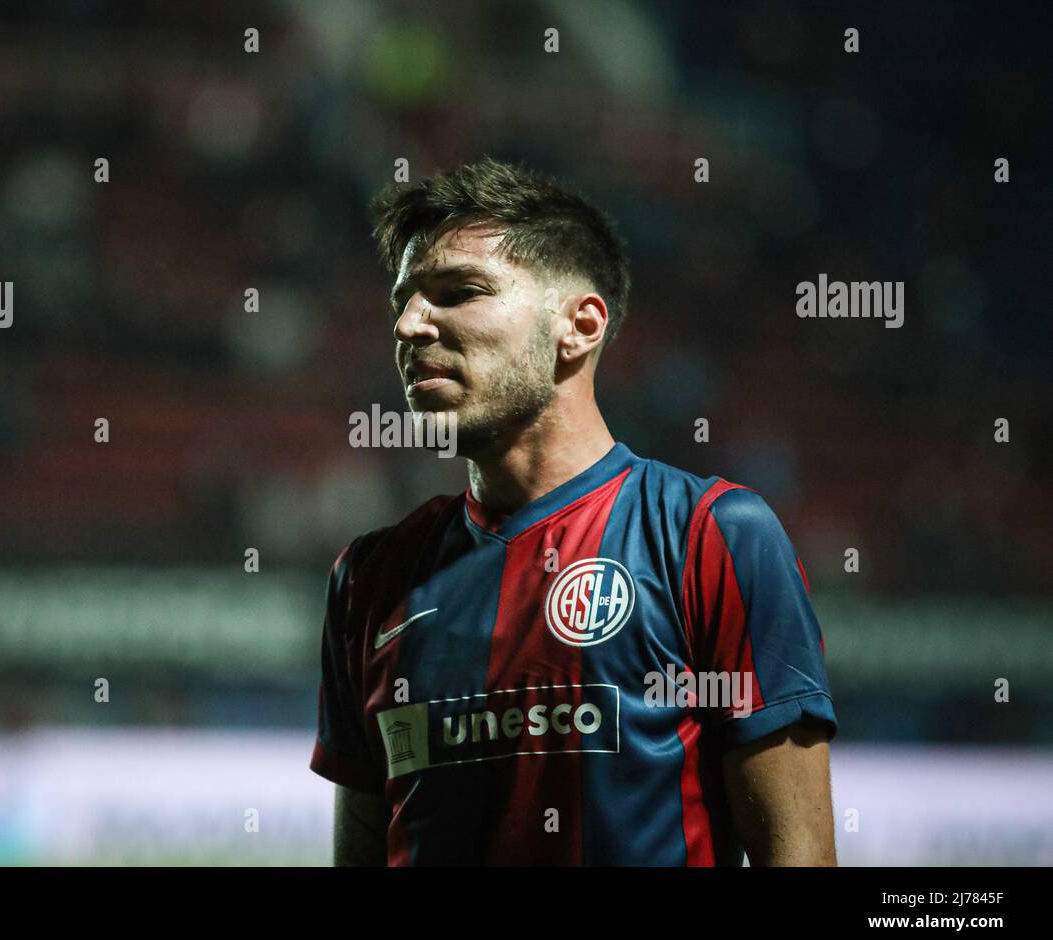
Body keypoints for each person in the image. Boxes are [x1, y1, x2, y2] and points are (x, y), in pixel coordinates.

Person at [310, 157, 837, 866]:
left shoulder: (711, 536)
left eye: (459, 291)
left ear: (578, 327)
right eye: (402, 301)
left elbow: (796, 852)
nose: (408, 326)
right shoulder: (370, 576)